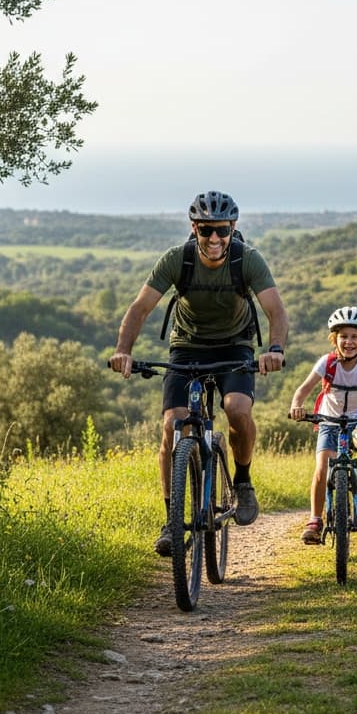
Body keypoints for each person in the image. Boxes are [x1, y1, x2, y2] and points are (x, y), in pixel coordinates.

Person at [109, 190, 289, 555]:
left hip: (235, 345)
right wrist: (123, 352)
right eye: (206, 230)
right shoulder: (178, 259)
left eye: (221, 230)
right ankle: (171, 520)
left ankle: (242, 480)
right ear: (194, 228)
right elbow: (140, 307)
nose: (214, 239)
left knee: (237, 407)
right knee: (171, 426)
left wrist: (274, 350)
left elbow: (276, 311)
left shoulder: (247, 259)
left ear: (232, 228)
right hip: (187, 346)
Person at [288, 305, 357, 545]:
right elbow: (303, 390)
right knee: (321, 469)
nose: (349, 342)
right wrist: (297, 405)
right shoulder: (326, 362)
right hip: (329, 421)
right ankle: (315, 521)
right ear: (334, 339)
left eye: (355, 337)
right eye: (343, 337)